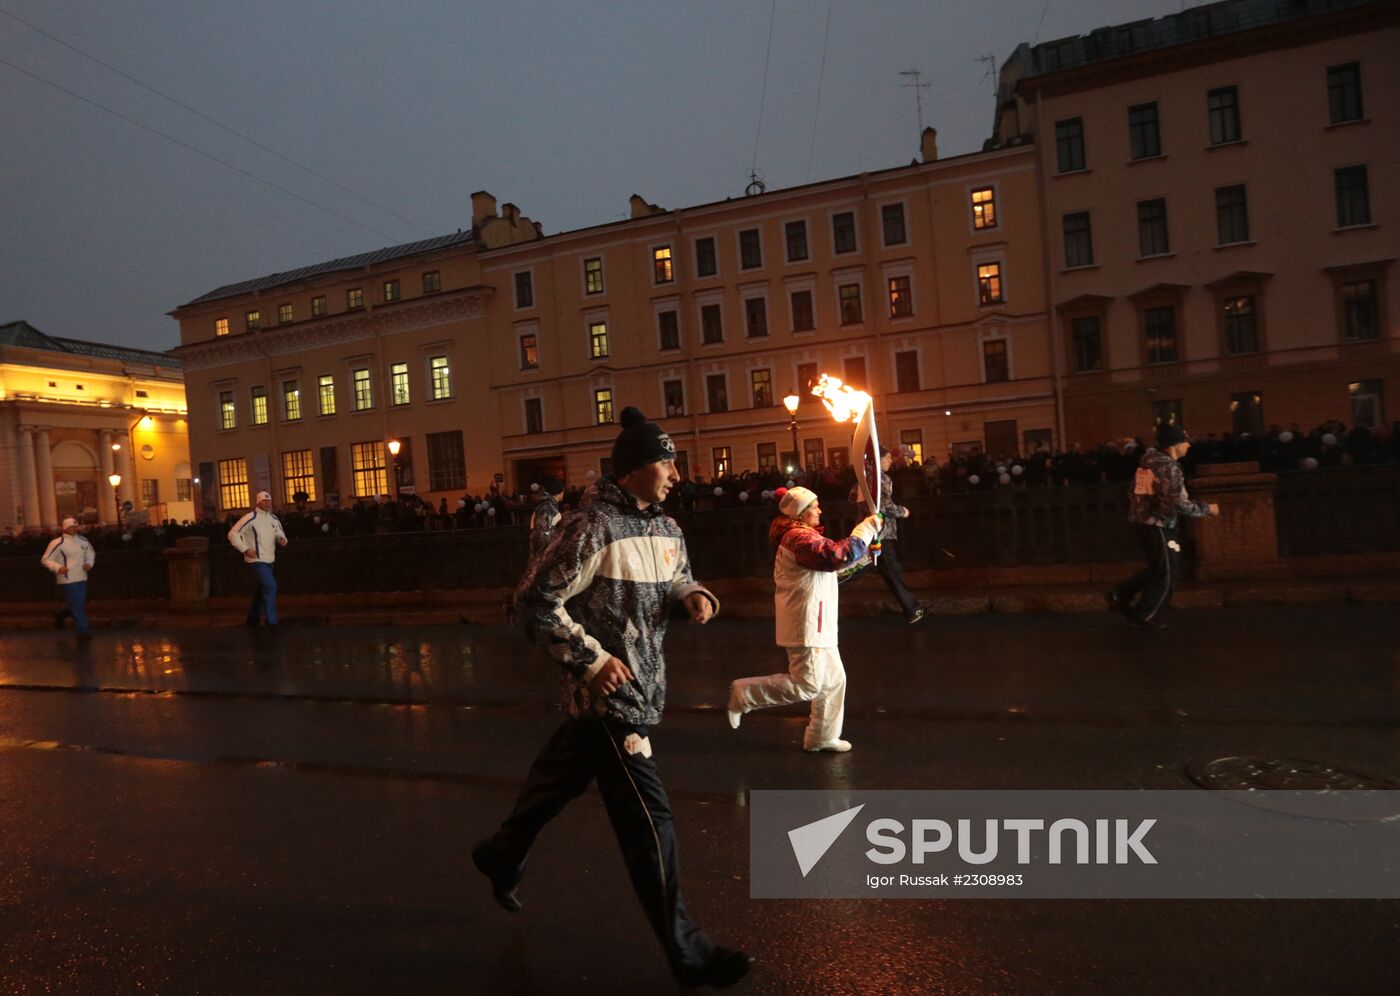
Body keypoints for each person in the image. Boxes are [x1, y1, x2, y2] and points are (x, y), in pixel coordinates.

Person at [471, 407, 752, 990]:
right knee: (653, 823)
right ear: (633, 468)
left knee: (554, 782)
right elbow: (532, 601)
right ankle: (688, 951)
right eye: (665, 462)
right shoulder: (590, 526)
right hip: (611, 699)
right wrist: (591, 661)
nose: (676, 473)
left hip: (643, 689)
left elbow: (678, 574)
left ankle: (502, 853)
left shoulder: (666, 526)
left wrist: (694, 594)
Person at [726, 487, 880, 752]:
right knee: (807, 685)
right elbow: (835, 556)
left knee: (833, 681)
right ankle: (744, 694)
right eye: (815, 506)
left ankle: (821, 736)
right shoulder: (798, 538)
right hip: (806, 624)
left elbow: (833, 569)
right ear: (801, 512)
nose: (820, 510)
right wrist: (865, 529)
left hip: (819, 624)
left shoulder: (802, 537)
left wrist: (866, 555)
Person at [1107, 424, 1220, 629]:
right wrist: (1207, 509)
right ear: (1174, 444)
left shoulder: (1148, 463)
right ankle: (1144, 614)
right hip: (1159, 524)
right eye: (1185, 441)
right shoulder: (1168, 467)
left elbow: (1139, 493)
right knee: (1166, 573)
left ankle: (1120, 594)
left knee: (1158, 569)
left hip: (1144, 522)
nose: (1188, 445)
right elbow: (1175, 502)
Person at [851, 447, 926, 624]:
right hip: (880, 532)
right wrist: (903, 511)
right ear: (879, 460)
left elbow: (852, 497)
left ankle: (912, 609)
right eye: (887, 458)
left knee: (885, 570)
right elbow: (884, 506)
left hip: (867, 530)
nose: (890, 461)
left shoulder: (862, 478)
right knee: (885, 569)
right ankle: (912, 609)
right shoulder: (881, 479)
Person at [228, 491, 288, 628]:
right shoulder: (250, 517)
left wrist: (282, 539)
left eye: (269, 501)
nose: (267, 503)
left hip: (270, 560)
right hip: (256, 560)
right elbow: (232, 534)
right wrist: (245, 549)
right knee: (271, 586)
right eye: (264, 501)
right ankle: (272, 622)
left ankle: (252, 620)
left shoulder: (273, 519)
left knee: (261, 590)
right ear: (258, 502)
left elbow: (279, 532)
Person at [42, 517, 96, 639]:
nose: (75, 529)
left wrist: (89, 563)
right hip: (68, 579)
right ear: (65, 528)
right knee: (77, 605)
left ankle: (60, 614)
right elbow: (45, 559)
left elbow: (90, 553)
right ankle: (83, 631)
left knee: (78, 603)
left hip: (82, 576)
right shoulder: (57, 543)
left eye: (76, 526)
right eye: (72, 527)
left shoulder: (83, 541)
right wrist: (58, 568)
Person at [527, 475, 565, 559]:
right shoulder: (547, 509)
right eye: (563, 490)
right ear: (558, 491)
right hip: (545, 559)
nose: (564, 493)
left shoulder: (548, 506)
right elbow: (542, 536)